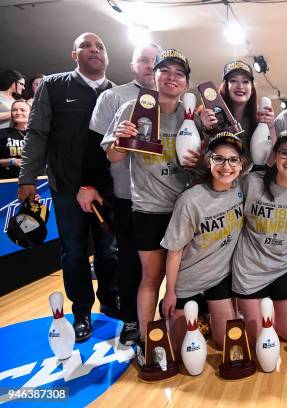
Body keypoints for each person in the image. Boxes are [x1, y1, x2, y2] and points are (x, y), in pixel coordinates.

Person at [18, 33, 118, 342]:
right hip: (65, 189)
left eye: (99, 47)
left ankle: (110, 301)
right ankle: (82, 311)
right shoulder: (53, 86)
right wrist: (27, 178)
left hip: (107, 190)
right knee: (73, 252)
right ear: (74, 55)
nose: (94, 51)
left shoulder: (115, 92)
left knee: (109, 252)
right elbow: (37, 134)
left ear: (107, 56)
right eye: (85, 46)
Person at [102, 49, 196, 345]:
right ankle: (148, 339)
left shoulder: (192, 113)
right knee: (151, 278)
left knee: (182, 281)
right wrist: (122, 139)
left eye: (179, 73)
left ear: (186, 83)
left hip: (186, 210)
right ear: (152, 76)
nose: (171, 78)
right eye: (164, 71)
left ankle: (179, 334)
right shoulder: (133, 107)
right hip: (148, 209)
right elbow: (113, 156)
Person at [76, 43, 162, 346]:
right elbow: (94, 146)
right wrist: (88, 184)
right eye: (143, 60)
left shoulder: (174, 101)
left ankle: (162, 314)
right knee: (130, 260)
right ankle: (130, 319)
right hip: (126, 193)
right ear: (132, 65)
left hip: (168, 196)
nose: (150, 66)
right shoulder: (114, 97)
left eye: (155, 61)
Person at [161, 132, 245, 352]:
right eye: (219, 158)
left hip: (219, 280)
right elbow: (174, 251)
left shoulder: (240, 190)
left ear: (241, 165)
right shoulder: (190, 200)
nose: (226, 166)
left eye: (233, 160)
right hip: (187, 284)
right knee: (181, 351)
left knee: (226, 343)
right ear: (209, 162)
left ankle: (207, 318)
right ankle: (201, 319)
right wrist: (170, 292)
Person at [232, 129, 287, 342]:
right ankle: (249, 310)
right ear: (274, 155)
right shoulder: (251, 182)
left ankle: (268, 308)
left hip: (284, 267)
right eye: (284, 153)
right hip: (250, 268)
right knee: (256, 337)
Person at [200, 60, 275, 168]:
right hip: (220, 178)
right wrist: (207, 129)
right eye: (233, 81)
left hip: (250, 181)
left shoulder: (261, 118)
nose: (240, 86)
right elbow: (202, 159)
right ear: (225, 86)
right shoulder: (208, 113)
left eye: (245, 81)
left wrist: (271, 127)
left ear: (252, 87)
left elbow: (272, 160)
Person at [0, 100, 30, 179]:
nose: (18, 113)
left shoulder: (41, 134)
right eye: (14, 110)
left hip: (39, 181)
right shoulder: (3, 134)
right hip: (8, 182)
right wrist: (12, 161)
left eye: (22, 110)